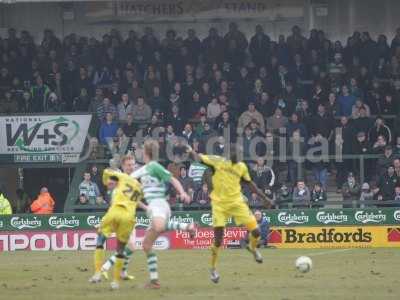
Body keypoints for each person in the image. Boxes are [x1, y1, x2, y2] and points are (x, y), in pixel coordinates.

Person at [187, 143, 271, 284]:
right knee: (219, 240)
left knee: (256, 232)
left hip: (237, 203)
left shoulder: (242, 166)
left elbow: (251, 184)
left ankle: (253, 248)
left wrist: (265, 198)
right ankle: (213, 268)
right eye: (237, 155)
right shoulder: (217, 161)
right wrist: (189, 150)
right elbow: (197, 157)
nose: (240, 157)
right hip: (219, 205)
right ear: (229, 154)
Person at [128, 140, 196, 289]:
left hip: (158, 204)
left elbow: (172, 179)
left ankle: (188, 226)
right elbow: (130, 180)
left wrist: (183, 192)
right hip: (154, 207)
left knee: (158, 227)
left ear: (145, 152)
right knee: (146, 245)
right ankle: (154, 281)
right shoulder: (146, 168)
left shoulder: (154, 166)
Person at [89, 155, 144, 290]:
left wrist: (146, 207)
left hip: (128, 217)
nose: (131, 167)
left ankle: (114, 272)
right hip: (115, 213)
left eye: (133, 164)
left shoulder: (136, 183)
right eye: (128, 165)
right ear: (123, 166)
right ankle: (102, 271)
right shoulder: (119, 177)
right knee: (105, 241)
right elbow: (108, 180)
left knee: (130, 247)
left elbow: (135, 200)